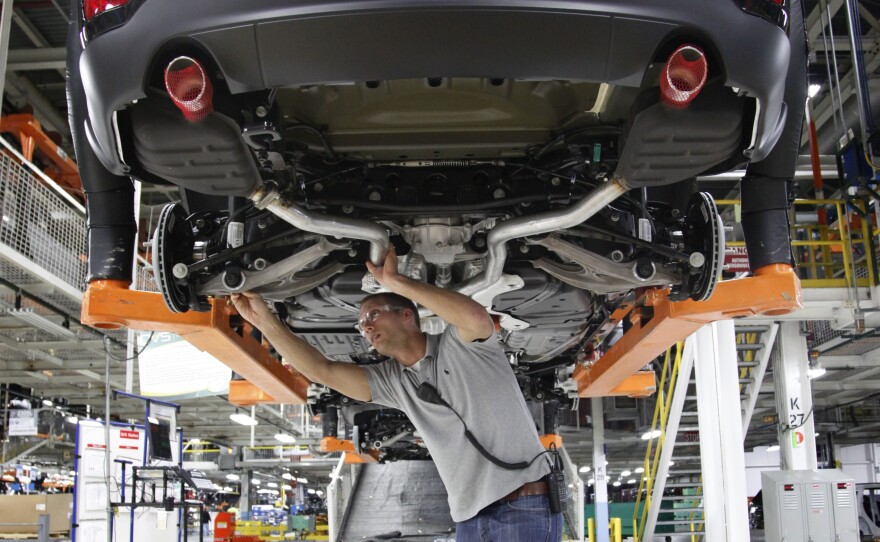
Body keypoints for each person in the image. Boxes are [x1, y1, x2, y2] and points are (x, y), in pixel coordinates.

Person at [231, 247, 562, 542]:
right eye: (362, 325)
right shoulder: (393, 382)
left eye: (373, 315)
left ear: (407, 315)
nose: (367, 328)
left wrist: (396, 281)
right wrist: (265, 321)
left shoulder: (462, 346)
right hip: (469, 519)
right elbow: (323, 371)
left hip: (523, 505)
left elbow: (475, 316)